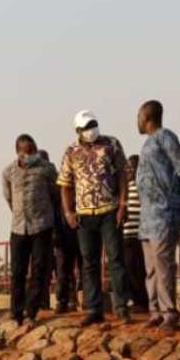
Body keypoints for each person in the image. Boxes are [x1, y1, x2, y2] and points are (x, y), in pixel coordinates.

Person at [58, 110, 133, 326]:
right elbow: (65, 184)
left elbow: (121, 175)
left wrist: (123, 204)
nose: (91, 129)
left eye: (93, 124)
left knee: (115, 259)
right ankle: (94, 308)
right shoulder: (71, 151)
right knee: (88, 263)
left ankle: (122, 308)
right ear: (78, 131)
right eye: (86, 126)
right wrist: (68, 212)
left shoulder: (111, 144)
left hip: (109, 210)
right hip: (84, 215)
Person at [137, 100, 180, 332]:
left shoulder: (164, 137)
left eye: (139, 116)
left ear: (147, 117)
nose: (137, 121)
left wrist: (169, 192)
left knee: (164, 266)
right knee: (150, 269)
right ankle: (155, 311)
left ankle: (170, 314)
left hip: (163, 213)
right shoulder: (148, 143)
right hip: (147, 217)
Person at [2, 134, 56, 326]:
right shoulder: (8, 172)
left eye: (34, 150)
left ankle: (31, 312)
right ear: (19, 153)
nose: (32, 154)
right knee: (17, 271)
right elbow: (9, 198)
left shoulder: (46, 168)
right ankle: (15, 312)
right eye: (28, 152)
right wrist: (20, 213)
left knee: (40, 270)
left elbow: (54, 192)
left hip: (42, 225)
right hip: (19, 227)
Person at [41, 149, 80, 314]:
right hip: (57, 232)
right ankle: (61, 301)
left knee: (68, 269)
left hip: (72, 231)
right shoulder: (46, 190)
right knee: (61, 269)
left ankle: (70, 300)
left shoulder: (61, 186)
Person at [122, 155, 150, 313]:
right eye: (128, 168)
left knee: (137, 271)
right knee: (128, 270)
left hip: (137, 235)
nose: (129, 170)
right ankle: (134, 299)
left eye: (132, 167)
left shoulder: (142, 186)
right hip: (125, 235)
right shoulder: (125, 186)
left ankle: (141, 302)